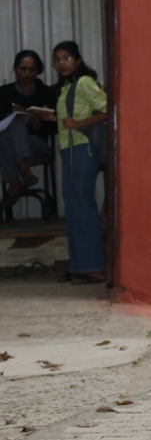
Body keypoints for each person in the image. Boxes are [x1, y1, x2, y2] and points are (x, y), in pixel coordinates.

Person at [47, 42, 108, 283]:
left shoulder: (83, 82)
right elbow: (68, 120)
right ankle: (80, 266)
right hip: (69, 150)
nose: (61, 63)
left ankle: (94, 266)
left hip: (83, 149)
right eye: (57, 59)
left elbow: (108, 109)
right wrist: (52, 118)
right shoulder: (66, 88)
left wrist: (78, 125)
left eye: (67, 58)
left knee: (82, 205)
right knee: (73, 208)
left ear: (78, 61)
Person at [0, 50, 57, 208]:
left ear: (38, 71)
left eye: (31, 70)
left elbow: (55, 127)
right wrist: (10, 114)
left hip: (37, 143)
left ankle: (15, 182)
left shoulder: (47, 93)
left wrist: (38, 124)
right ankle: (24, 170)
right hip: (8, 143)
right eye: (22, 69)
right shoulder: (4, 93)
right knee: (13, 124)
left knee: (11, 132)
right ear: (15, 69)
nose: (26, 74)